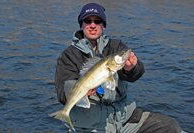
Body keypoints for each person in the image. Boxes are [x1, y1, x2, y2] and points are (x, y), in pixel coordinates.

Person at [55, 3, 182, 133]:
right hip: (90, 123)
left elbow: (137, 72)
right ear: (81, 25)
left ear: (103, 25)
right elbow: (62, 91)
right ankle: (65, 113)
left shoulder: (116, 47)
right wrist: (82, 93)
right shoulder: (68, 55)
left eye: (97, 21)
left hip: (124, 119)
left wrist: (131, 68)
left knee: (170, 126)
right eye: (87, 21)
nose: (92, 25)